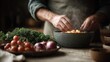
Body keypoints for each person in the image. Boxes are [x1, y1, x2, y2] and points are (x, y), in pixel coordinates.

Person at [28, 0, 110, 42]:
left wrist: (98, 17)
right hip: (54, 43)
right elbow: (34, 4)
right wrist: (52, 17)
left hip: (91, 43)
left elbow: (107, 5)